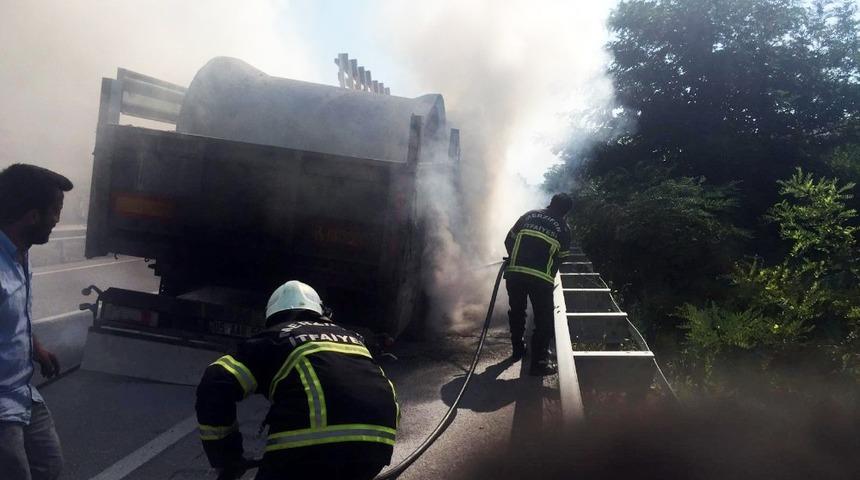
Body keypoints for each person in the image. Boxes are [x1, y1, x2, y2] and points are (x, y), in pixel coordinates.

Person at [196, 280, 400, 480]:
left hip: (308, 450)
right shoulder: (353, 337)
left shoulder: (275, 337)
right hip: (378, 442)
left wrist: (226, 458)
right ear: (321, 312)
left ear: (272, 317)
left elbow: (215, 381)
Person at [0, 164, 72, 480]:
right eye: (55, 211)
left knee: (50, 468)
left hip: (22, 394)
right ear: (32, 216)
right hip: (2, 410)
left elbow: (12, 319)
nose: (58, 220)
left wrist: (35, 347)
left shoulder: (20, 254)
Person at [504, 193, 572, 376]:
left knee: (517, 311)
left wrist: (515, 258)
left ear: (550, 203)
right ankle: (539, 363)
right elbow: (562, 258)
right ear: (566, 212)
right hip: (541, 280)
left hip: (515, 274)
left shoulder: (529, 215)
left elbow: (508, 240)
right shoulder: (564, 229)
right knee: (544, 320)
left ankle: (518, 349)